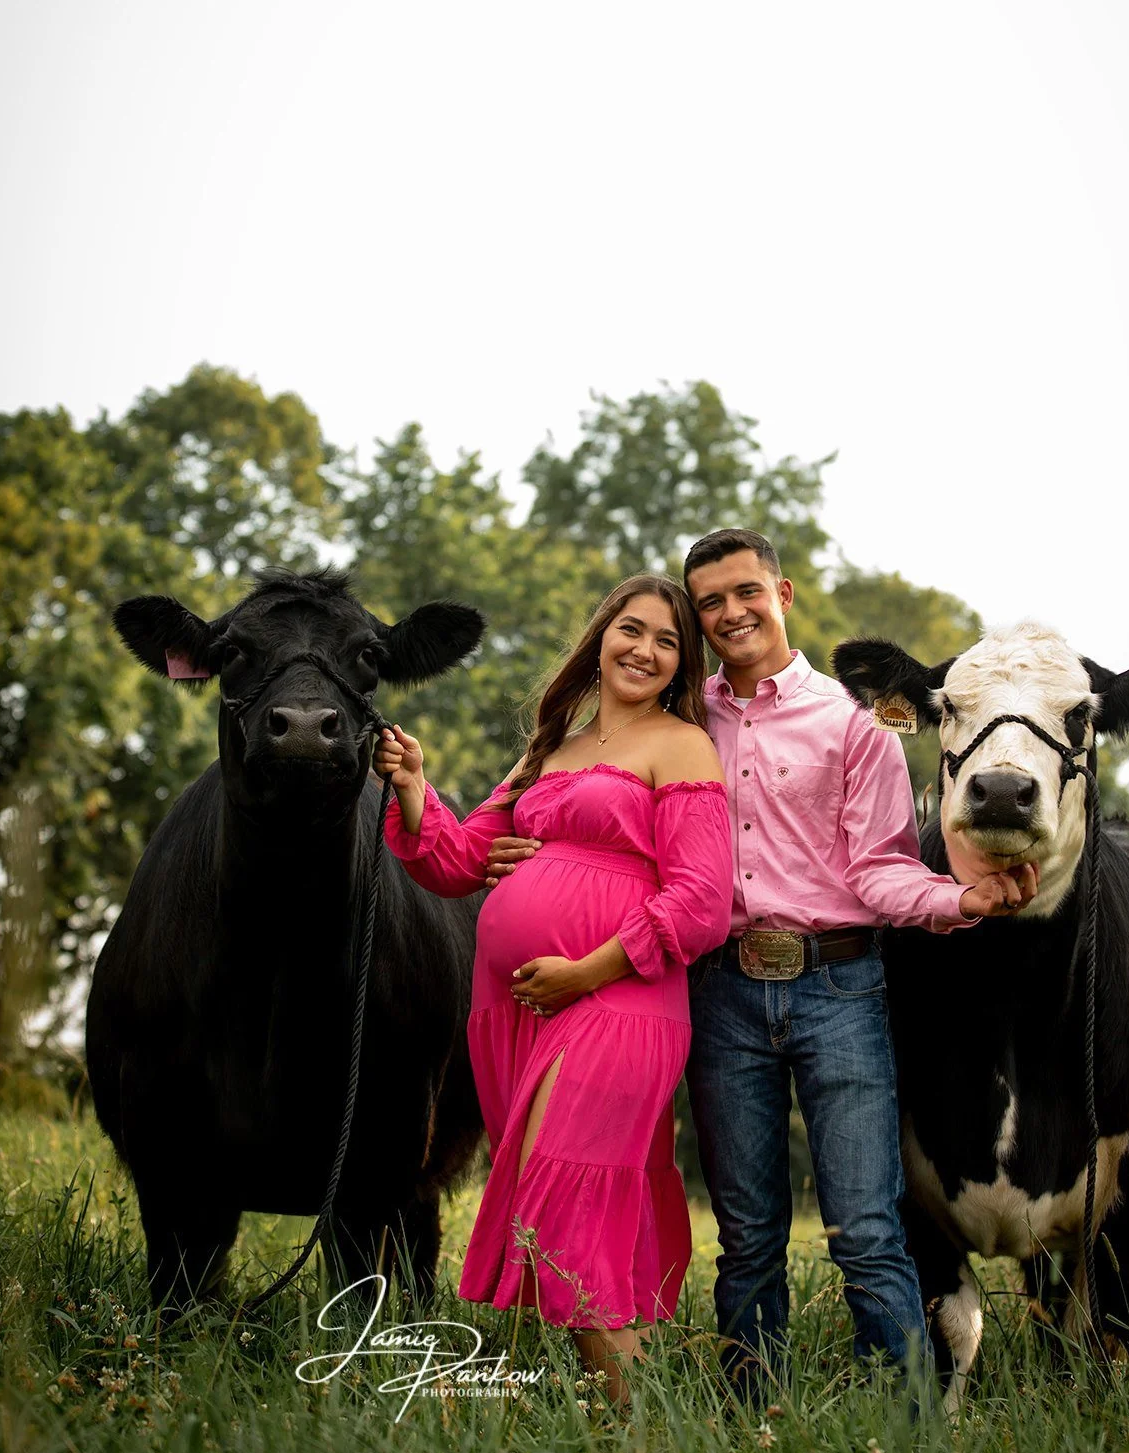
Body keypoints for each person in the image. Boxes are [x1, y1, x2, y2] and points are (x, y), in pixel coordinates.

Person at [487, 529, 1037, 1404]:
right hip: (720, 987)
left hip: (838, 985)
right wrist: (537, 848)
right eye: (710, 601)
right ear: (699, 618)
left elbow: (881, 868)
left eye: (746, 591)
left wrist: (957, 900)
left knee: (864, 1224)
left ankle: (904, 1418)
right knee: (745, 1230)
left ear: (782, 593)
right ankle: (753, 1406)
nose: (731, 611)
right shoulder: (681, 715)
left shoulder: (851, 720)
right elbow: (614, 799)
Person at [373, 573, 732, 1405]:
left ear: (681, 665)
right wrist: (414, 785)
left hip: (619, 998)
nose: (644, 649)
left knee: (562, 1208)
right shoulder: (552, 749)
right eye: (631, 629)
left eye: (668, 640)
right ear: (601, 636)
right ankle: (628, 1431)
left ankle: (640, 1432)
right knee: (561, 1223)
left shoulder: (681, 745)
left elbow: (703, 898)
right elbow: (459, 862)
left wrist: (588, 967)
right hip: (522, 1017)